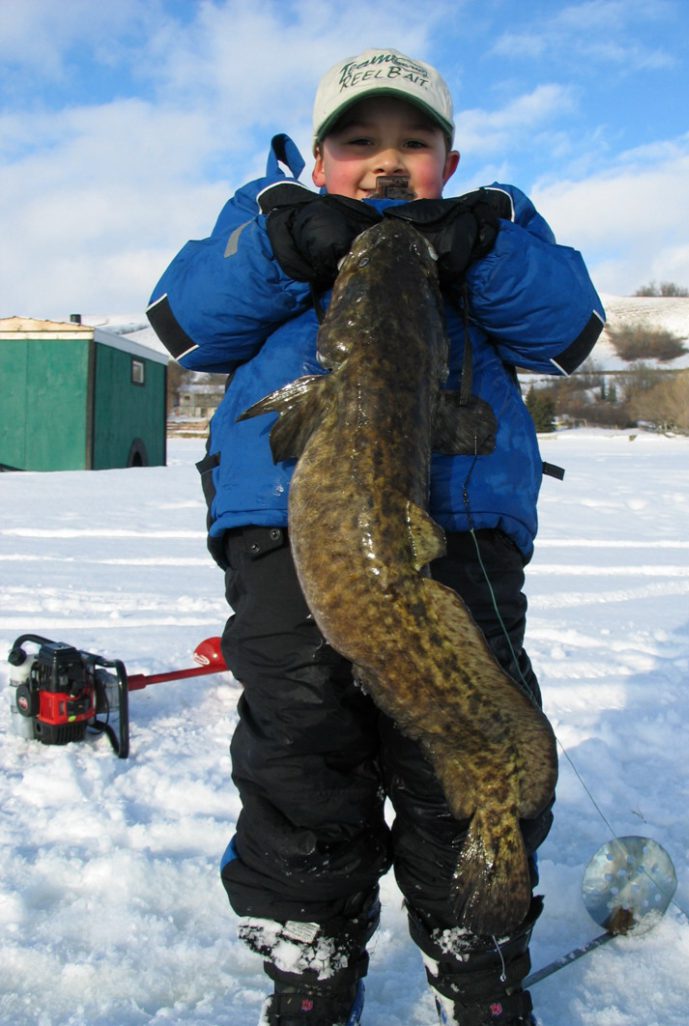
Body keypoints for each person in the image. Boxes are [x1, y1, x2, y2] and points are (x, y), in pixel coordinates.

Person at [147, 48, 605, 1026]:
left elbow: (568, 331)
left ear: (450, 160)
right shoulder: (264, 217)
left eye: (413, 143)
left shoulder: (493, 223)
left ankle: (474, 949)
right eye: (358, 143)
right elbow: (184, 326)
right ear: (318, 160)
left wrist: (483, 245)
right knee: (300, 751)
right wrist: (279, 244)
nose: (386, 163)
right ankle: (307, 954)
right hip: (284, 531)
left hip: (459, 531)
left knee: (457, 752)